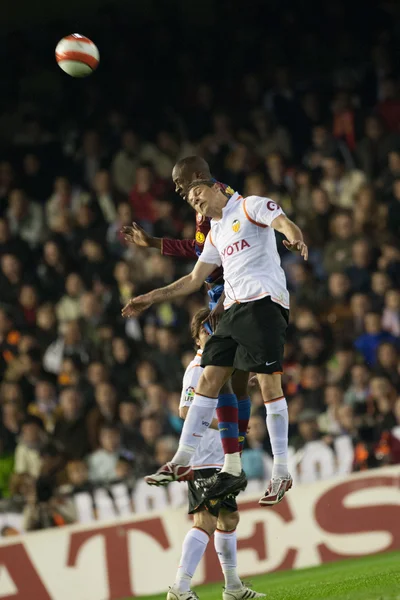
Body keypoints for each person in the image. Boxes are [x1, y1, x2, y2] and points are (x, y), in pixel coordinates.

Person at [122, 179, 308, 507]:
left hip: (263, 302)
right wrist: (150, 297)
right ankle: (183, 458)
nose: (196, 204)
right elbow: (194, 278)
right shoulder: (216, 232)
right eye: (191, 201)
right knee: (209, 376)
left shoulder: (250, 205)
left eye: (197, 195)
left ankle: (280, 469)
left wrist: (295, 239)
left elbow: (282, 223)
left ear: (215, 188)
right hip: (232, 308)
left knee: (266, 385)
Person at [123, 156, 252, 464]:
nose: (178, 190)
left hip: (233, 292)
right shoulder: (204, 209)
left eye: (180, 183)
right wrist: (154, 243)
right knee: (228, 374)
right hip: (219, 292)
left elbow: (239, 253)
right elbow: (200, 252)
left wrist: (226, 302)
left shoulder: (225, 206)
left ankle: (232, 447)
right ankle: (235, 446)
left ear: (197, 176)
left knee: (224, 371)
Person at [149, 308, 264, 600]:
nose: (211, 333)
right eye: (205, 329)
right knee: (206, 521)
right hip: (204, 457)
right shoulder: (198, 367)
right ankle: (180, 587)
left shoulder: (221, 366)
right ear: (197, 337)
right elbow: (186, 410)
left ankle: (234, 588)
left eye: (215, 327)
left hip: (221, 456)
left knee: (229, 520)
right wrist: (224, 423)